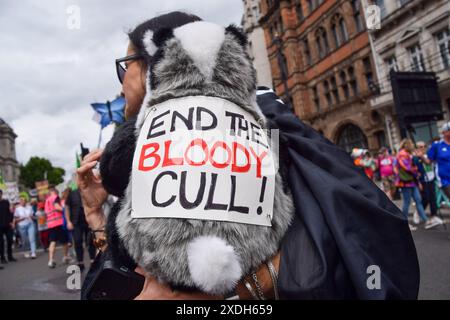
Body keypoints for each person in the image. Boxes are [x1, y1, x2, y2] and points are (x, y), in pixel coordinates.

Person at [78, 12, 419, 300]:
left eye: (125, 67)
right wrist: (96, 216)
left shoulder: (249, 119)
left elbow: (296, 245)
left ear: (156, 61)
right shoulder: (151, 140)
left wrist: (201, 297)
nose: (122, 85)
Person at [396, 139, 428, 230]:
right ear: (407, 145)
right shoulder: (402, 154)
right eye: (411, 145)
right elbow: (407, 167)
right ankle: (404, 223)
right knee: (407, 202)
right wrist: (416, 172)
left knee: (418, 200)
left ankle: (425, 220)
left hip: (411, 181)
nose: (413, 146)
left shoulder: (406, 153)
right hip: (406, 182)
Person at [413, 141, 444, 229]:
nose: (422, 148)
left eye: (424, 146)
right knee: (426, 198)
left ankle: (434, 216)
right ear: (417, 148)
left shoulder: (429, 155)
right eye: (420, 146)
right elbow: (415, 170)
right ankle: (418, 212)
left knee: (433, 198)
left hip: (431, 179)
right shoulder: (415, 158)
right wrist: (418, 182)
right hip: (423, 180)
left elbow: (433, 164)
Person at [65, 188, 96, 272]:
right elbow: (67, 208)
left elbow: (95, 206)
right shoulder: (72, 194)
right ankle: (80, 262)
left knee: (90, 241)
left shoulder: (89, 192)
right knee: (77, 241)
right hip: (76, 222)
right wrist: (68, 221)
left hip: (88, 221)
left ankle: (93, 261)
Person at [45, 187, 70, 268]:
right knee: (64, 241)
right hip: (59, 222)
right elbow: (56, 207)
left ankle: (51, 260)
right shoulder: (56, 197)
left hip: (50, 224)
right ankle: (65, 257)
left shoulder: (47, 200)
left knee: (53, 241)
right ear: (54, 191)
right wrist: (64, 209)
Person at [428, 122, 450, 200]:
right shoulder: (437, 145)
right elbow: (429, 161)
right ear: (445, 132)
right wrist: (421, 156)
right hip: (445, 180)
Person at [0, 190, 15, 263]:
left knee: (10, 240)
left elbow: (9, 213)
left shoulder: (6, 202)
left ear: (1, 194)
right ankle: (2, 258)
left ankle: (10, 256)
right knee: (1, 242)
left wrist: (11, 222)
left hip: (7, 225)